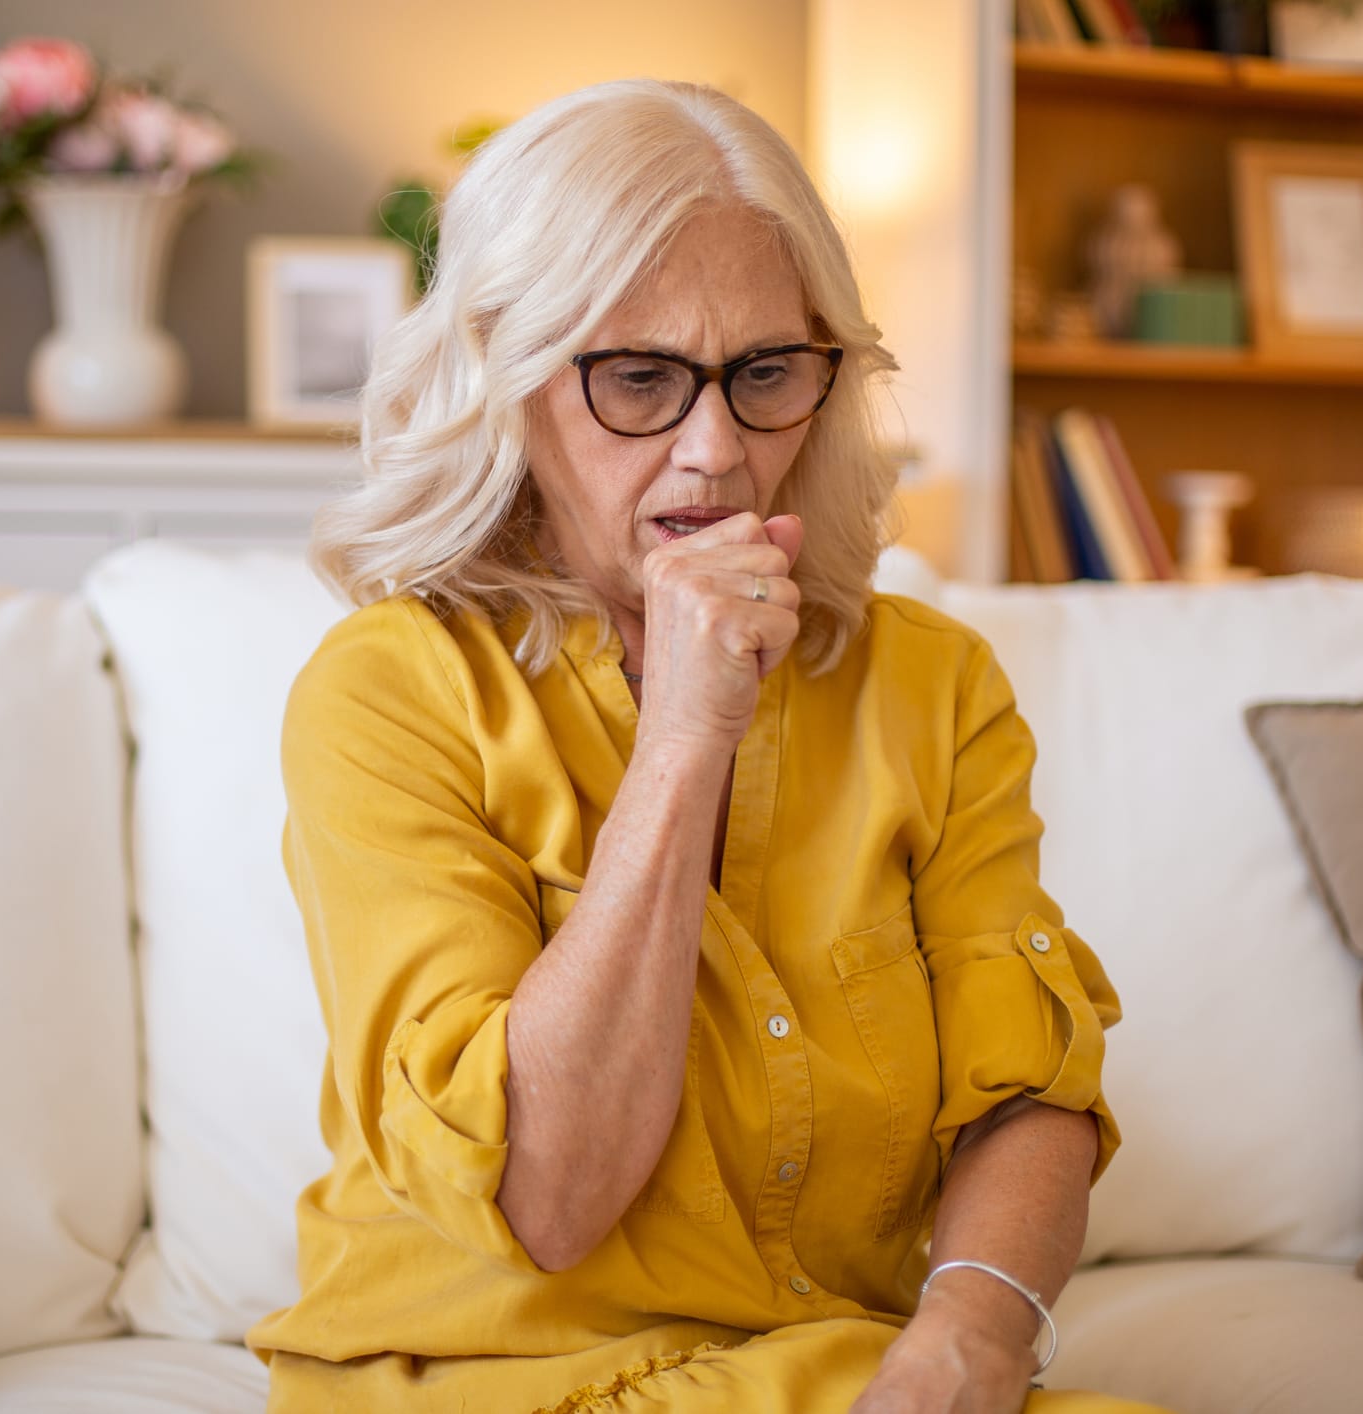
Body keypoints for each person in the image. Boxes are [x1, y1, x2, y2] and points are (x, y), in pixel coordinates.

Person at [247, 78, 1168, 1414]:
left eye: (767, 374)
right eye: (638, 379)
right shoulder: (388, 692)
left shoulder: (934, 682)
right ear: (507, 377)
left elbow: (1027, 1091)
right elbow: (545, 1197)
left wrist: (969, 1338)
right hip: (490, 1379)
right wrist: (687, 729)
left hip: (830, 1369)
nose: (715, 450)